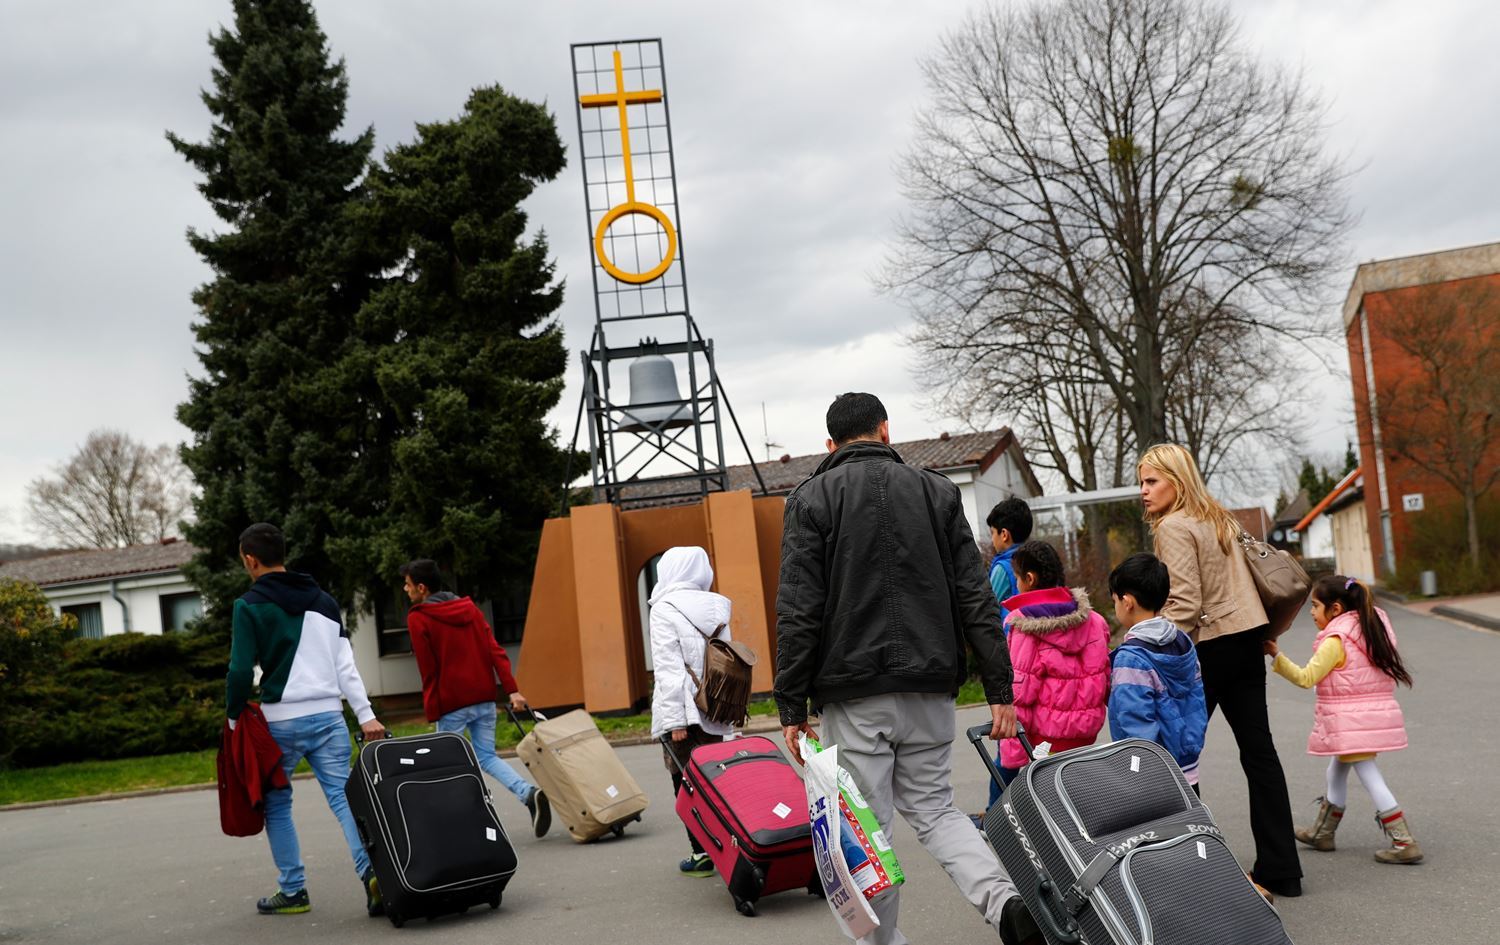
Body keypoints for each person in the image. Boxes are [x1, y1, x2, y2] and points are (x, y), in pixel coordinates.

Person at [774, 392, 1041, 945]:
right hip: (931, 684)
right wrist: (1000, 689)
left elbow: (799, 609)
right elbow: (974, 596)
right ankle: (1006, 904)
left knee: (869, 831)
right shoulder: (937, 492)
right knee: (937, 812)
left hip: (854, 692)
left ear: (830, 445)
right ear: (886, 431)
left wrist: (791, 703)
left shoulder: (810, 499)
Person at [1139, 443, 1303, 897]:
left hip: (1209, 648)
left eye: (1152, 481)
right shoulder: (1219, 518)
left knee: (1175, 757)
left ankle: (1186, 870)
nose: (1144, 491)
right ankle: (1281, 869)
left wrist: (1147, 647)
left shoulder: (1173, 526)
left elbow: (1185, 603)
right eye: (1142, 482)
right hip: (1246, 641)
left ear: (1176, 480)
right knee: (1259, 753)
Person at [225, 522, 386, 917]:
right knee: (344, 799)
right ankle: (373, 875)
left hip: (279, 722)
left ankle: (293, 890)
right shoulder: (324, 601)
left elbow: (240, 670)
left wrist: (233, 718)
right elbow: (346, 666)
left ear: (251, 560)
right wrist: (366, 715)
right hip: (330, 718)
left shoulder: (248, 605)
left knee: (277, 805)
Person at [1266, 575, 1421, 865]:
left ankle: (1404, 842)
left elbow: (1306, 677)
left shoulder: (1336, 640)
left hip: (1351, 723)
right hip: (1363, 720)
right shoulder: (1369, 628)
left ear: (1335, 608)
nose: (1311, 612)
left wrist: (1276, 655)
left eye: (1315, 606)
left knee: (1370, 776)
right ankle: (1322, 833)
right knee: (1336, 771)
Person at [401, 559, 551, 839]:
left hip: (451, 703)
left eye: (408, 584)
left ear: (421, 588)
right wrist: (512, 690)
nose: (405, 589)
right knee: (486, 756)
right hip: (483, 697)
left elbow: (428, 669)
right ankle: (528, 793)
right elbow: (494, 650)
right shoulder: (468, 609)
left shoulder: (418, 617)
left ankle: (465, 824)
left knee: (446, 765)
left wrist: (433, 709)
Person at [647, 546, 736, 877]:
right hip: (716, 706)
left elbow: (668, 669)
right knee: (718, 778)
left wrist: (675, 722)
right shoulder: (716, 606)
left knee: (684, 781)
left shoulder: (664, 608)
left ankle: (701, 853)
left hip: (684, 711)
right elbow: (726, 662)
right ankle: (732, 843)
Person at [995, 540, 1110, 786]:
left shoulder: (1025, 627)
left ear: (1029, 579)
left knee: (1049, 797)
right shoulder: (1095, 621)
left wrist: (1012, 755)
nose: (1016, 585)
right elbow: (1105, 679)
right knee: (1076, 793)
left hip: (1045, 743)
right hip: (1085, 736)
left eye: (1017, 578)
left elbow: (1020, 696)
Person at [1107, 552, 1208, 790]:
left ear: (1127, 602)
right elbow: (1197, 700)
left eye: (1115, 601)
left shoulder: (1131, 658)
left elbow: (1135, 724)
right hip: (1187, 766)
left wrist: (1135, 772)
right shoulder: (1182, 641)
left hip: (1153, 779)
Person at [986, 497, 1033, 627]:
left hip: (1012, 635)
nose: (992, 539)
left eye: (992, 533)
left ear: (1004, 534)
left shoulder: (1003, 568)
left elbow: (988, 608)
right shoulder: (1035, 558)